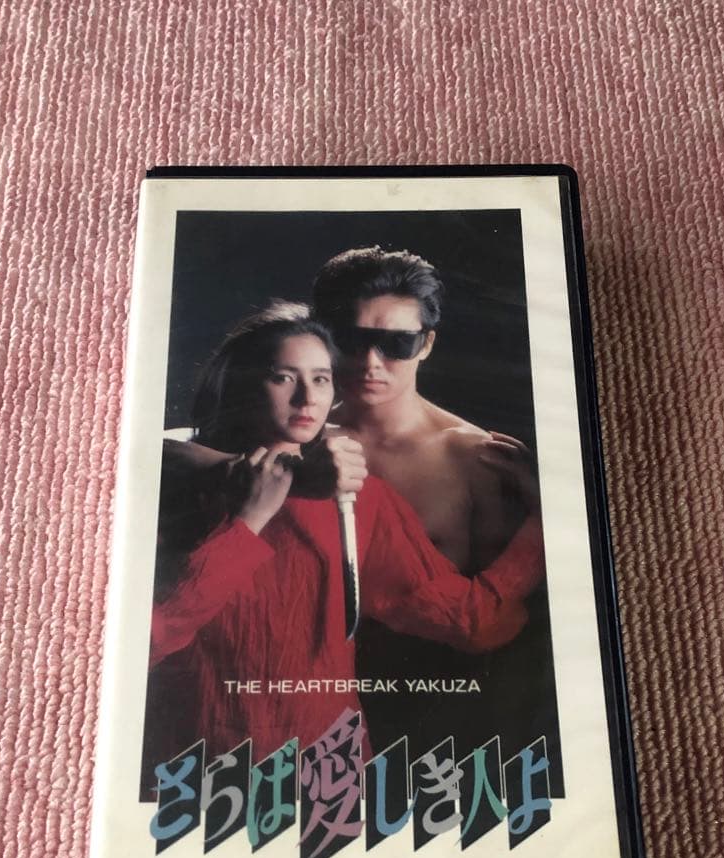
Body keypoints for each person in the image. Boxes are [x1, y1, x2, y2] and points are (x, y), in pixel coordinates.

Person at [142, 302, 544, 795]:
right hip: (190, 770)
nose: (307, 398)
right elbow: (146, 640)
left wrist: (542, 523)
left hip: (327, 776)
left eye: (322, 379)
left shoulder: (360, 500)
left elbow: (472, 622)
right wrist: (250, 520)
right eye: (282, 377)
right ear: (241, 383)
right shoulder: (177, 482)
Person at [312, 247, 561, 777]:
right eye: (352, 339)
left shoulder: (471, 457)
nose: (370, 363)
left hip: (438, 717)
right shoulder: (299, 440)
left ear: (426, 344)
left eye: (395, 344)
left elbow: (500, 623)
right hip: (309, 700)